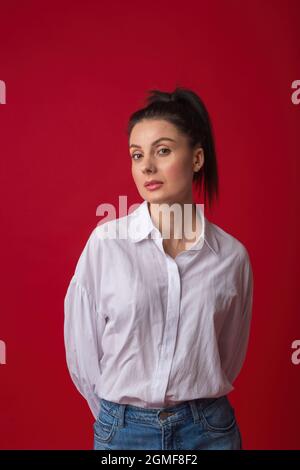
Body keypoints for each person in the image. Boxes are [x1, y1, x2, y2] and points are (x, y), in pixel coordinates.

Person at [64, 87, 254, 450]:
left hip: (209, 432)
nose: (146, 166)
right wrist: (117, 419)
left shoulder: (231, 257)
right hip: (122, 433)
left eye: (162, 150)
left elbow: (226, 356)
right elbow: (82, 352)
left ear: (197, 159)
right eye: (137, 155)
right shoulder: (106, 245)